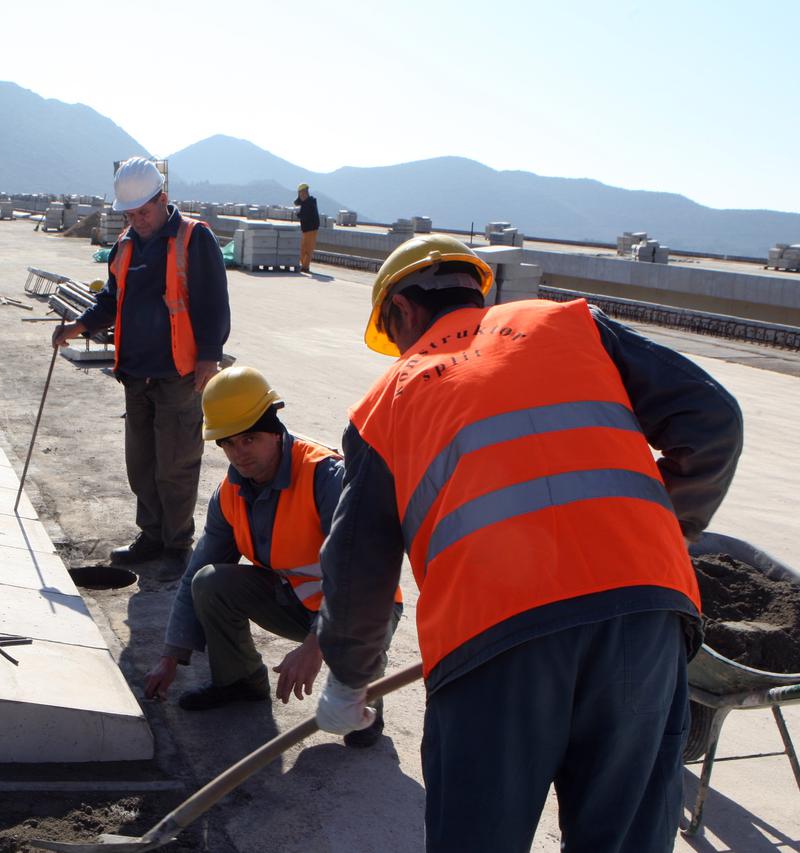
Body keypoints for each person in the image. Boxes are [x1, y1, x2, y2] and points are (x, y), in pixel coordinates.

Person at [313, 234, 743, 850]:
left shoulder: (386, 404)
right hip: (645, 618)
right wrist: (658, 531)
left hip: (492, 637)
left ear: (402, 313)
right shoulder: (571, 324)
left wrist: (349, 679)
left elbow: (358, 572)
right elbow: (714, 423)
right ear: (475, 291)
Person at [143, 367, 402, 747]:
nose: (239, 454)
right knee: (210, 581)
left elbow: (364, 576)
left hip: (362, 607)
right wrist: (171, 655)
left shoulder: (326, 477)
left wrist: (316, 646)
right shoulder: (229, 494)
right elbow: (195, 573)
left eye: (250, 439)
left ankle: (369, 704)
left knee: (355, 725)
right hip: (296, 599)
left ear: (276, 430)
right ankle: (240, 680)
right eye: (229, 444)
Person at [53, 157, 230, 574]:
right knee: (142, 465)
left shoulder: (194, 238)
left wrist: (209, 356)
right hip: (137, 375)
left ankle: (176, 545)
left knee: (176, 465)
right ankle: (150, 536)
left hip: (180, 375)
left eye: (143, 212)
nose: (138, 221)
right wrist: (79, 326)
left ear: (163, 200)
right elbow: (113, 299)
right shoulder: (126, 245)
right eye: (130, 214)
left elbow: (213, 302)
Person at [294, 183, 320, 273]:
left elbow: (304, 215)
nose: (301, 195)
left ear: (306, 192)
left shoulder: (309, 203)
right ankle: (304, 266)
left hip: (311, 229)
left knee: (308, 249)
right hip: (306, 229)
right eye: (299, 194)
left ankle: (305, 267)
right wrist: (299, 199)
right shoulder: (306, 201)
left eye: (302, 193)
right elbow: (296, 202)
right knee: (302, 248)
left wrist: (298, 214)